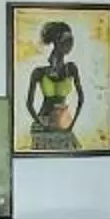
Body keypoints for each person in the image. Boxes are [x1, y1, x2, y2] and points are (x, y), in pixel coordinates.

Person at [23, 19, 83, 152]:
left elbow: (81, 99)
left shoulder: (71, 68)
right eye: (67, 39)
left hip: (64, 124)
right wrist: (41, 124)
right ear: (57, 42)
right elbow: (29, 104)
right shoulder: (39, 72)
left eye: (71, 39)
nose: (71, 43)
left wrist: (72, 125)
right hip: (44, 122)